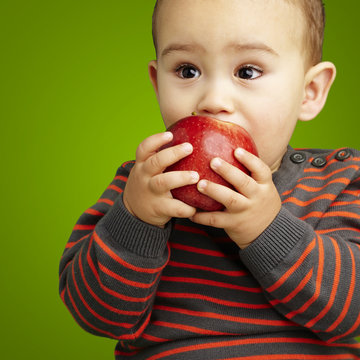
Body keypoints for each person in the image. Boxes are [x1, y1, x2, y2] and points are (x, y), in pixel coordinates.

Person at [59, 0, 360, 358]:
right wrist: (137, 220)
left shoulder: (339, 182)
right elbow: (98, 316)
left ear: (309, 92)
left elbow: (351, 312)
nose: (213, 101)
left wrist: (267, 229)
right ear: (157, 84)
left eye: (247, 71)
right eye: (187, 71)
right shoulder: (140, 189)